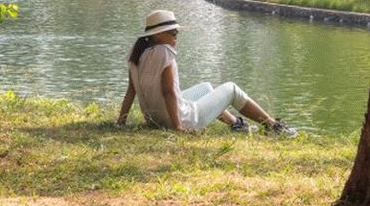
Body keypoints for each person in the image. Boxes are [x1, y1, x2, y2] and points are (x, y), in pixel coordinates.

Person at [117, 10, 297, 136]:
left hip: (154, 118)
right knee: (231, 89)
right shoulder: (165, 52)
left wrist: (121, 122)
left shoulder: (137, 53)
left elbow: (131, 91)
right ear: (157, 35)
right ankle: (273, 126)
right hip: (179, 120)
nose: (176, 35)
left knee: (206, 88)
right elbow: (169, 92)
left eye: (176, 31)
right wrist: (178, 127)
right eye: (172, 32)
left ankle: (236, 125)